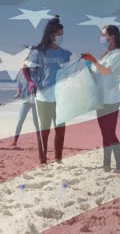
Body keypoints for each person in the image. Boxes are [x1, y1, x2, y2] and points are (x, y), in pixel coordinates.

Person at [23, 15, 72, 164]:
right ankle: (43, 160)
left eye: (63, 35)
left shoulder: (64, 53)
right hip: (44, 96)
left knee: (60, 129)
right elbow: (25, 68)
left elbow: (70, 71)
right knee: (45, 130)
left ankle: (58, 159)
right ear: (52, 35)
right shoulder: (38, 52)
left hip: (61, 96)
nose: (62, 38)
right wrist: (30, 82)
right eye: (60, 35)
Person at [82, 25, 120, 175]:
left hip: (112, 99)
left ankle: (119, 166)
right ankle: (106, 165)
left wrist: (93, 60)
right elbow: (95, 75)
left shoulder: (117, 55)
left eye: (103, 35)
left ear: (112, 36)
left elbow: (106, 72)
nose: (102, 38)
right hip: (100, 99)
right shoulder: (105, 55)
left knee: (110, 132)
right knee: (104, 133)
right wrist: (88, 65)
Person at [9, 68, 41, 147]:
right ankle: (15, 141)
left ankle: (40, 142)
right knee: (20, 121)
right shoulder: (21, 72)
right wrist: (18, 93)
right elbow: (19, 84)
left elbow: (41, 85)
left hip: (36, 100)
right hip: (25, 101)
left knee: (36, 123)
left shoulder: (37, 71)